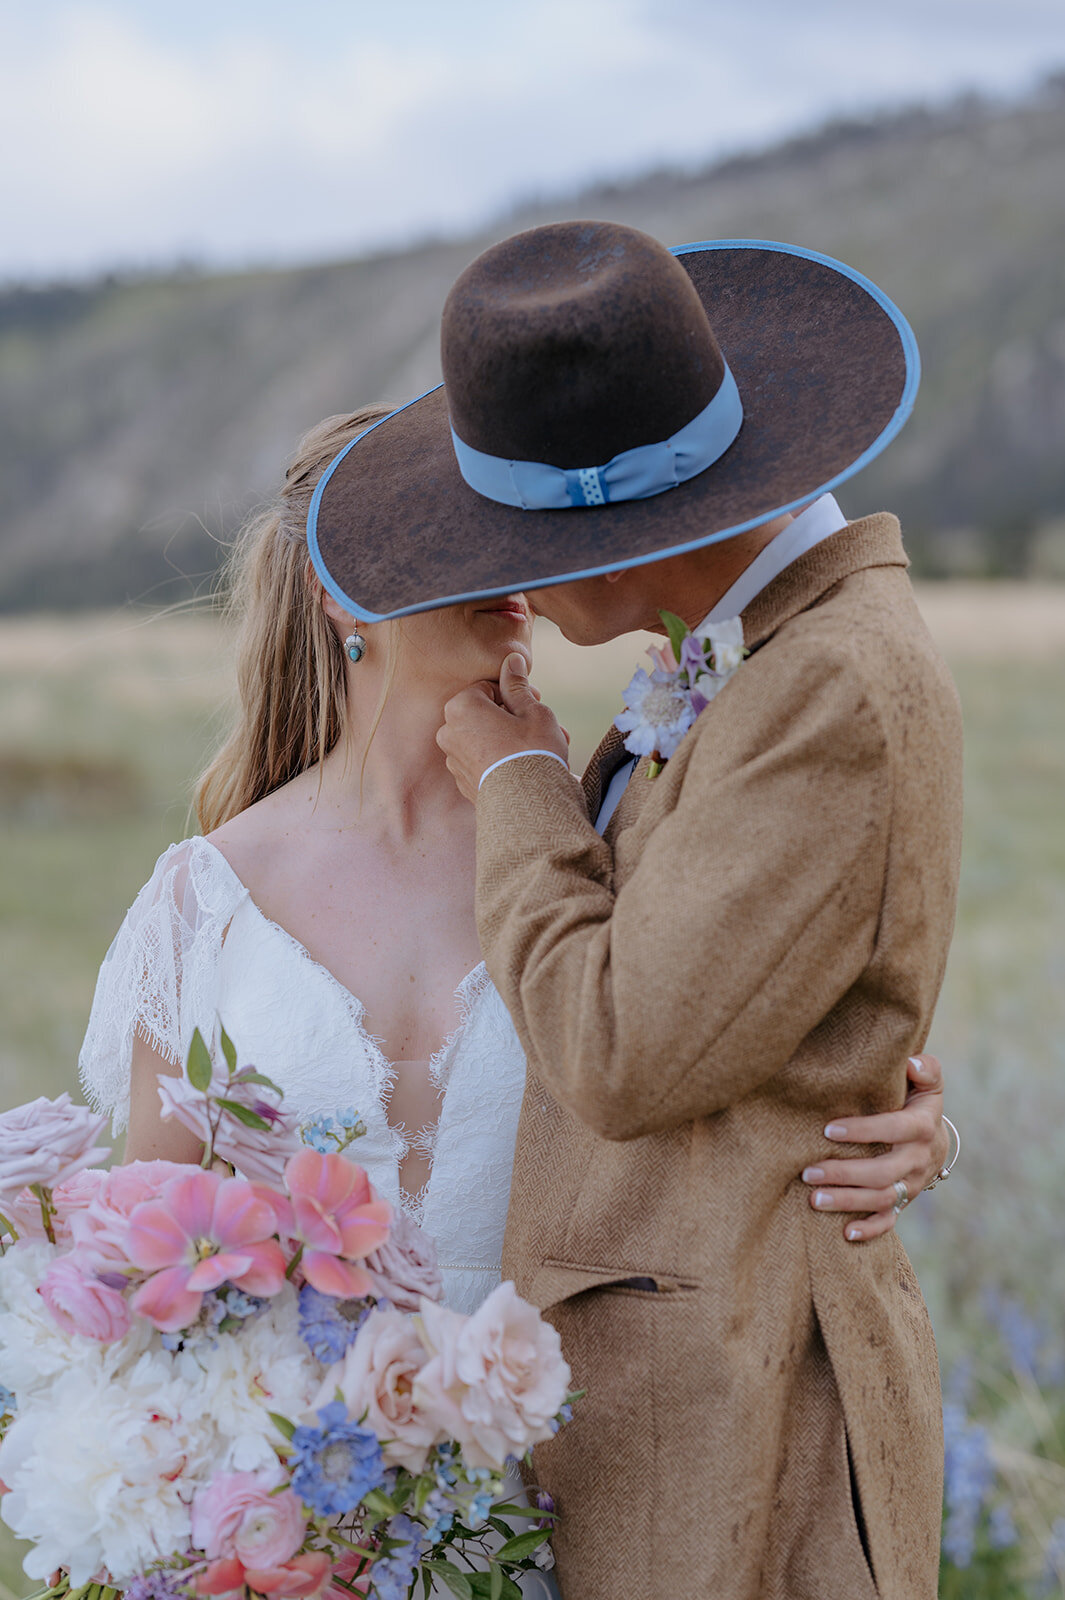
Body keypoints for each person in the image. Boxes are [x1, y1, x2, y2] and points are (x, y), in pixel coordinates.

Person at [79, 349, 950, 1592]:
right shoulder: (201, 898)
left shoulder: (595, 845)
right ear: (341, 595)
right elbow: (151, 1262)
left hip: (585, 1504)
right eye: (449, 541)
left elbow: (716, 1030)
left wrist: (909, 1118)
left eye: (513, 536)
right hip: (293, 1519)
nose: (508, 573)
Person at [304, 223, 963, 1599]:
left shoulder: (826, 683)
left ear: (621, 524)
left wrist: (526, 783)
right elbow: (743, 994)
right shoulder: (748, 658)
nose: (504, 584)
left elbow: (620, 1051)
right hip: (659, 1414)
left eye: (515, 537)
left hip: (743, 1432)